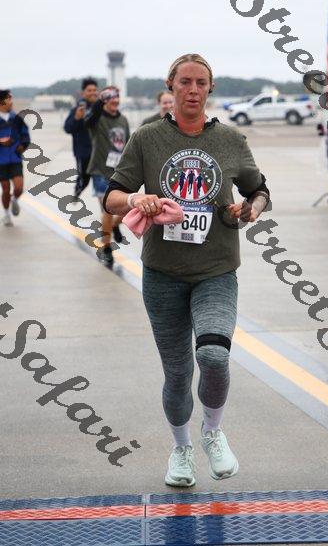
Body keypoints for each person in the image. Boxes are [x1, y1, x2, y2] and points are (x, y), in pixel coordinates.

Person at [104, 53, 270, 487]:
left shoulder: (231, 139)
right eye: (185, 82)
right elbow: (112, 196)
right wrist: (136, 199)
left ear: (210, 89)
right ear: (171, 86)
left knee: (213, 356)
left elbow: (259, 191)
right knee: (178, 375)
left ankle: (212, 432)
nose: (193, 90)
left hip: (216, 270)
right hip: (163, 274)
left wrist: (249, 209)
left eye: (201, 83)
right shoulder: (147, 138)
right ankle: (181, 449)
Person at [85, 86, 130, 266]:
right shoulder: (97, 119)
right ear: (104, 100)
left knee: (128, 208)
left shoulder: (123, 120)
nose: (114, 100)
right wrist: (99, 100)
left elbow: (128, 146)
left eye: (117, 97)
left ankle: (114, 226)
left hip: (119, 173)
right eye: (110, 97)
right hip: (100, 171)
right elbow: (88, 120)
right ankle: (106, 247)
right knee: (108, 210)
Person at [64, 78, 98, 199]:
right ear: (83, 93)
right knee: (84, 180)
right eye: (89, 90)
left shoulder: (100, 109)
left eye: (94, 90)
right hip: (83, 153)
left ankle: (104, 204)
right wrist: (77, 119)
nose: (92, 92)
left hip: (99, 153)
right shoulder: (77, 110)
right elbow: (67, 128)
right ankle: (76, 194)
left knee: (102, 181)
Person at [0, 90, 30, 226]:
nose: (11, 102)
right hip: (1, 161)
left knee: (19, 188)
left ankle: (15, 200)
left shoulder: (17, 118)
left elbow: (25, 135)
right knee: (6, 189)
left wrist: (23, 145)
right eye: (9, 99)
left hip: (15, 159)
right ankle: (6, 214)